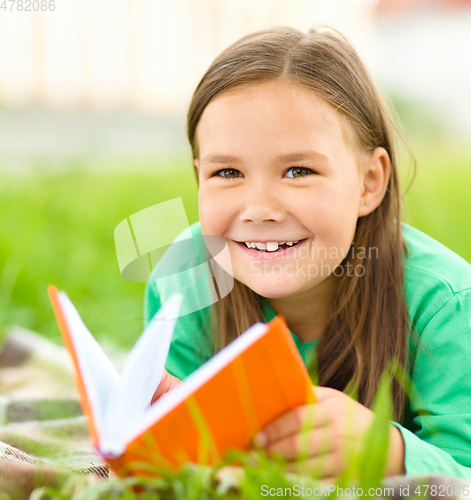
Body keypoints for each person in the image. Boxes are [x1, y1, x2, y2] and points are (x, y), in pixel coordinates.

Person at [144, 25, 471, 480]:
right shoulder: (188, 276)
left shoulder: (447, 307)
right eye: (227, 172)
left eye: (298, 170)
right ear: (199, 175)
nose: (259, 209)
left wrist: (389, 451)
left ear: (369, 182)